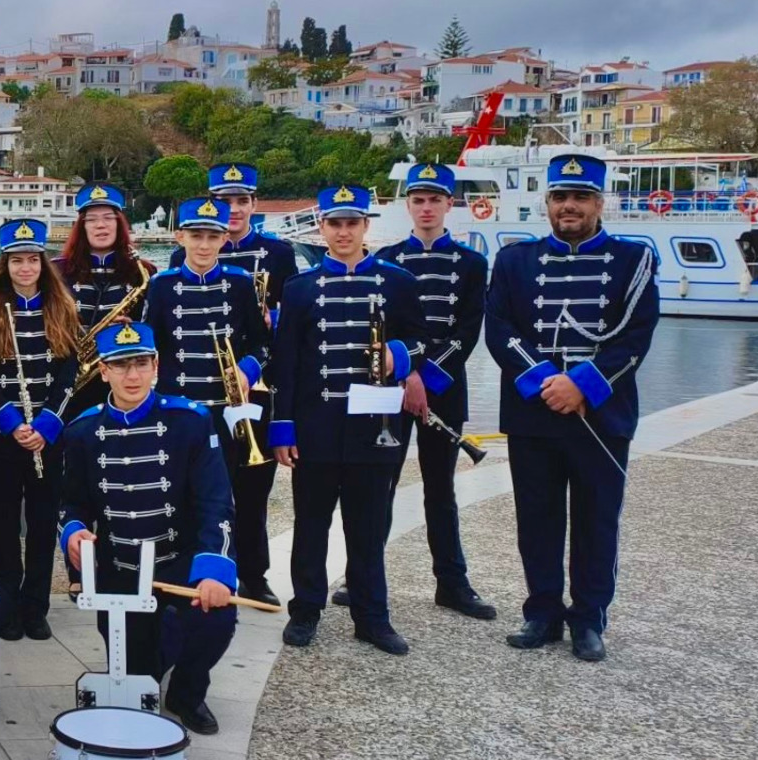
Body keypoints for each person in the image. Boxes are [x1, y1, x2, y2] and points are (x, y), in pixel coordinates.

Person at [486, 154, 659, 662]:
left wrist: (581, 385)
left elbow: (636, 337)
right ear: (548, 203)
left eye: (581, 197)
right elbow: (499, 329)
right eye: (560, 197)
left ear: (599, 203)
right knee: (536, 519)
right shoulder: (514, 261)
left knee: (596, 521)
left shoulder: (633, 261)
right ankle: (541, 612)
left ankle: (589, 618)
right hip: (534, 412)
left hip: (599, 416)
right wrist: (547, 383)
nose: (569, 206)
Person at [59, 322, 237, 735]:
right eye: (121, 365)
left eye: (141, 363)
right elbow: (72, 502)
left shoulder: (190, 421)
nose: (132, 376)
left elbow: (216, 501)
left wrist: (213, 570)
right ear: (103, 371)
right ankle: (160, 651)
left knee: (216, 619)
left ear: (156, 366)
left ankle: (188, 693)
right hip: (121, 567)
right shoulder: (82, 431)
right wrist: (73, 533)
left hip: (178, 560)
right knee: (138, 677)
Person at [270, 185, 424, 655]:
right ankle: (305, 610)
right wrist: (283, 428)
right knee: (310, 525)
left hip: (374, 426)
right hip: (316, 426)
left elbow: (421, 342)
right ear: (321, 228)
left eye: (351, 223)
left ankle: (372, 617)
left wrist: (397, 355)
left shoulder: (397, 282)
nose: (343, 232)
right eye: (334, 223)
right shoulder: (299, 289)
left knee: (368, 528)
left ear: (364, 227)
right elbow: (286, 364)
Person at [169, 163, 297, 606]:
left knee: (251, 490)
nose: (235, 208)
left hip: (248, 393)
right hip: (195, 396)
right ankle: (196, 571)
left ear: (254, 204)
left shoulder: (277, 254)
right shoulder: (176, 268)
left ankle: (253, 574)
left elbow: (282, 329)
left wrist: (250, 363)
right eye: (226, 201)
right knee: (194, 490)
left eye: (242, 200)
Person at [375, 164, 495, 621]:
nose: (426, 209)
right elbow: (381, 328)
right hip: (393, 385)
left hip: (443, 388)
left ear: (449, 204)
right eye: (418, 200)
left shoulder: (471, 264)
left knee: (440, 489)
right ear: (408, 205)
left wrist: (427, 379)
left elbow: (467, 332)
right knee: (379, 486)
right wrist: (408, 375)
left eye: (435, 200)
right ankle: (364, 576)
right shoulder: (386, 260)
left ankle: (452, 583)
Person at [143, 197, 274, 602]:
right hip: (180, 411)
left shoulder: (239, 283)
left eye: (212, 237)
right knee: (179, 496)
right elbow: (150, 346)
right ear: (180, 237)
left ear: (223, 239)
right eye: (196, 236)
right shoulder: (162, 285)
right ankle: (182, 576)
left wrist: (247, 369)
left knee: (236, 497)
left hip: (228, 409)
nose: (203, 245)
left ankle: (244, 575)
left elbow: (263, 343)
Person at [0, 219, 82, 641]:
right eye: (17, 260)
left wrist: (46, 424)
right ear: (6, 265)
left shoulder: (62, 309)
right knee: (1, 525)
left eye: (32, 260)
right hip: (3, 437)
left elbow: (70, 375)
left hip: (46, 436)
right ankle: (6, 605)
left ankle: (35, 607)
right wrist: (13, 424)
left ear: (42, 264)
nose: (25, 268)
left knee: (42, 523)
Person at [58, 182, 152, 331]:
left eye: (108, 218)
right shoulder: (58, 270)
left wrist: (132, 330)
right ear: (82, 226)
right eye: (92, 219)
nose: (100, 225)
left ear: (118, 223)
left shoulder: (143, 271)